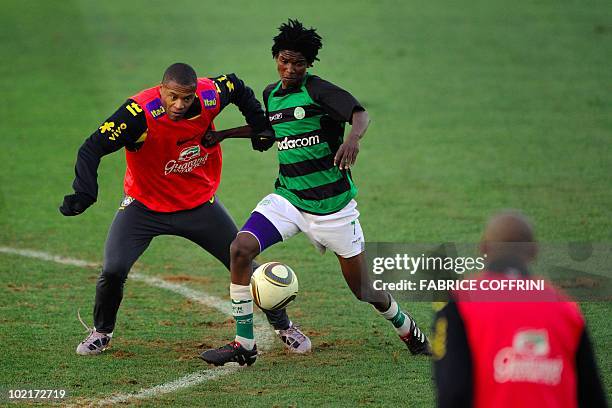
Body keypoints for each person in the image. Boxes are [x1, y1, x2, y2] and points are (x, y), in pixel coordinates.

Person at [200, 20, 431, 367]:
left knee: (364, 291)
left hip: (333, 208)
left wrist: (352, 139)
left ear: (309, 65)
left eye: (298, 63)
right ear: (276, 58)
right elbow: (270, 130)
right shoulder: (271, 94)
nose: (290, 69)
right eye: (284, 60)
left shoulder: (319, 90)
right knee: (240, 249)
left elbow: (360, 114)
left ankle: (408, 329)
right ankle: (244, 344)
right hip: (289, 199)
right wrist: (224, 135)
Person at [61, 63, 295, 355]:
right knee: (113, 269)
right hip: (144, 207)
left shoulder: (210, 95)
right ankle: (102, 332)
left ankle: (283, 326)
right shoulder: (138, 114)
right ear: (161, 90)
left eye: (186, 98)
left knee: (244, 260)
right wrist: (84, 193)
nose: (179, 105)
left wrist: (259, 125)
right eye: (172, 96)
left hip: (199, 205)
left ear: (195, 92)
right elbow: (91, 147)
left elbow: (236, 86)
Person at [432, 211, 607, 407]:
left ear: (483, 248)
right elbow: (592, 396)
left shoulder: (460, 300)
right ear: (534, 251)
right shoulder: (567, 307)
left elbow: (452, 391)